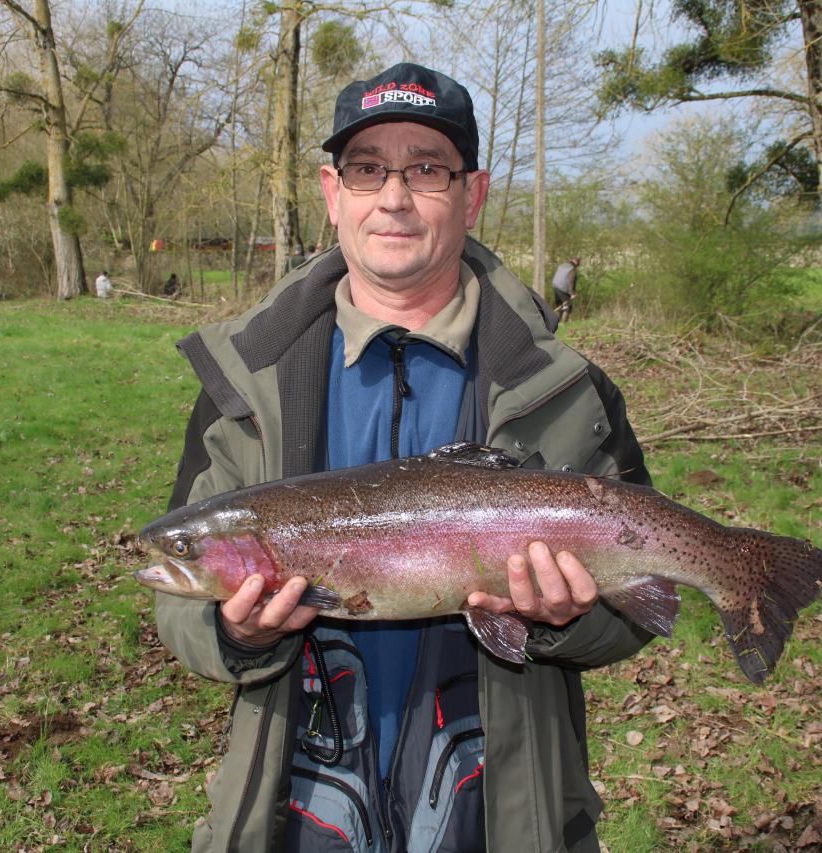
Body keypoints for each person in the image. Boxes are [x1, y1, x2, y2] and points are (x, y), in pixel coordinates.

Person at [154, 63, 653, 852]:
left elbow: (636, 614)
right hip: (292, 818)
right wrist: (236, 635)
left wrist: (568, 620)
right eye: (367, 169)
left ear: (471, 193)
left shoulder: (568, 391)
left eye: (426, 168)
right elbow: (177, 612)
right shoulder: (241, 385)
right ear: (332, 192)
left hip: (503, 819)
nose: (394, 196)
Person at [552, 257, 580, 322]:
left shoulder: (562, 266)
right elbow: (571, 281)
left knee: (559, 305)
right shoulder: (571, 269)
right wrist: (572, 293)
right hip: (563, 289)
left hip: (555, 286)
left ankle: (555, 323)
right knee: (567, 306)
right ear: (576, 263)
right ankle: (563, 324)